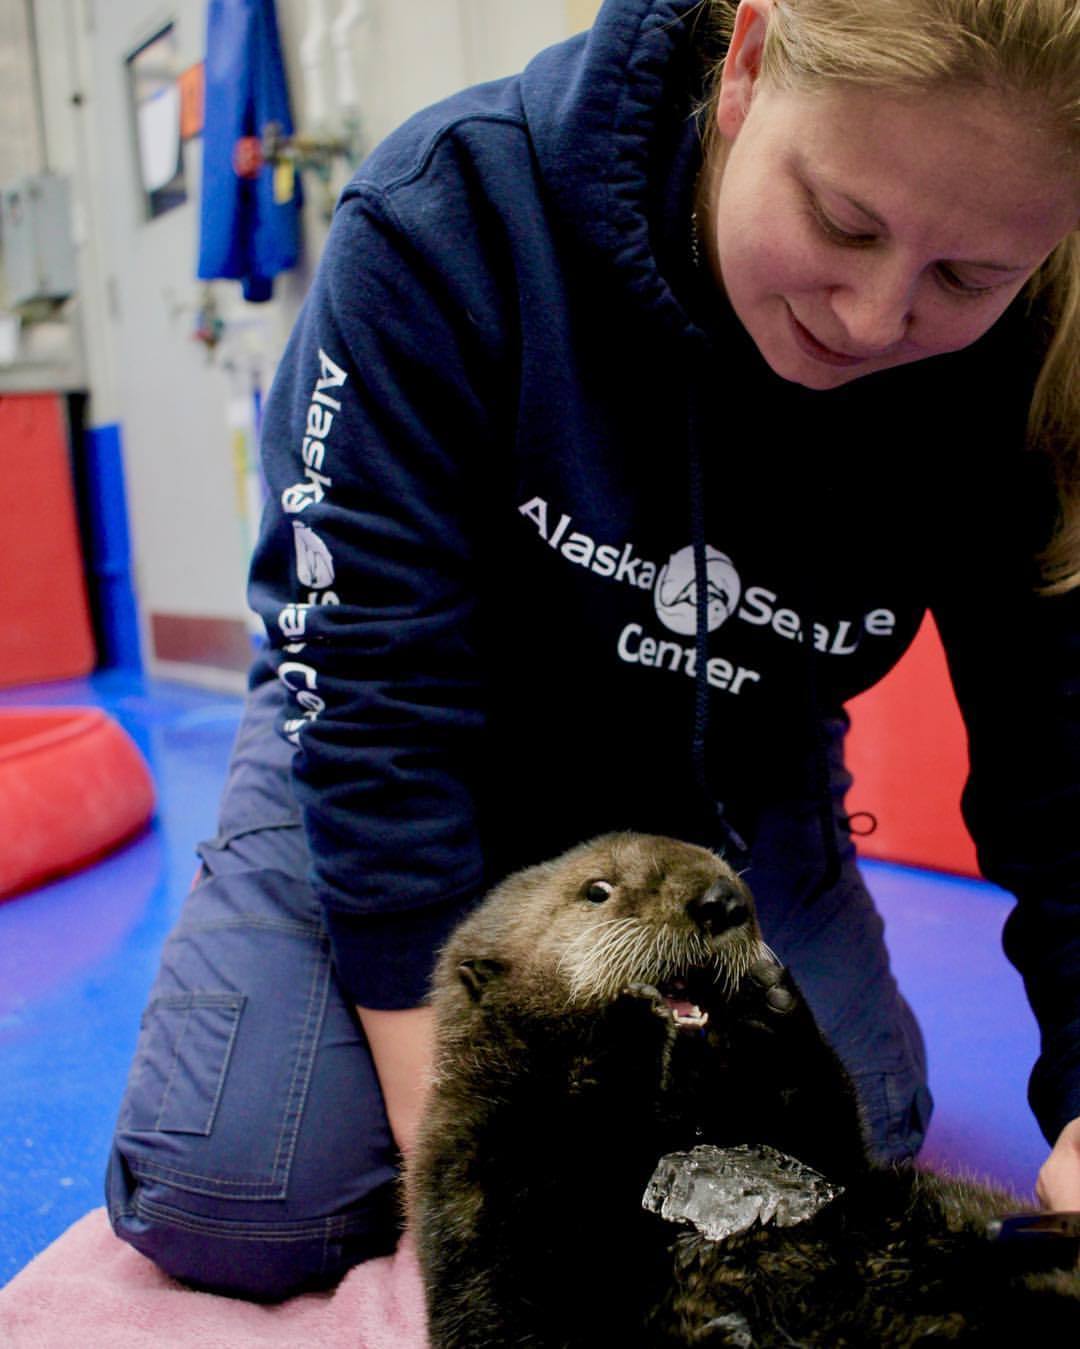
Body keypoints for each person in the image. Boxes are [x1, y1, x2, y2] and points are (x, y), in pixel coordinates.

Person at [107, 0, 1080, 1302]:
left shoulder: (1035, 346)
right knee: (235, 1188)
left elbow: (1062, 759)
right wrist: (468, 1167)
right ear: (743, 65)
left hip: (725, 776)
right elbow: (372, 701)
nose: (870, 312)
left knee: (845, 1153)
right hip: (412, 744)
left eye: (967, 278)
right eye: (844, 221)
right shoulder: (443, 221)